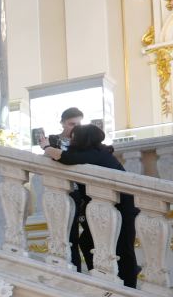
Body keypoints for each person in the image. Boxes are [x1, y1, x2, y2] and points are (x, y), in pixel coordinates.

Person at [44, 123, 140, 288]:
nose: (70, 139)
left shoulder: (96, 154)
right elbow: (66, 156)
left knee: (123, 247)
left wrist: (45, 146)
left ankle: (129, 286)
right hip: (106, 206)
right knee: (87, 241)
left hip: (122, 208)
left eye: (73, 136)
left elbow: (65, 158)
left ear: (82, 139)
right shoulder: (93, 152)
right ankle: (101, 276)